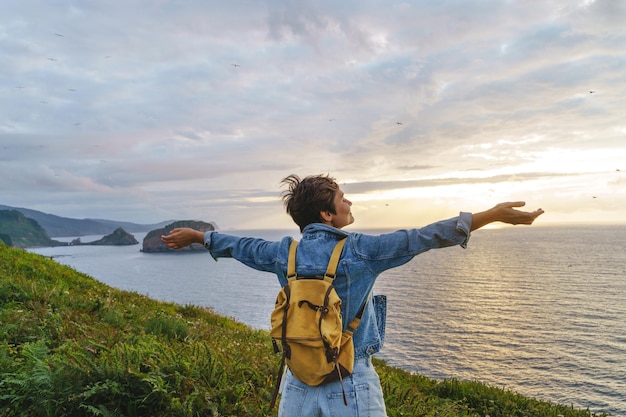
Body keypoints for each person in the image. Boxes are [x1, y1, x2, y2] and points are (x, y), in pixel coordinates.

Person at [161, 173, 544, 417]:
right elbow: (424, 236)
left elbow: (241, 246)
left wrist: (198, 236)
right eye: (343, 198)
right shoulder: (361, 250)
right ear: (327, 215)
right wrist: (490, 215)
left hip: (297, 379)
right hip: (349, 378)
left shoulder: (284, 253)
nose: (349, 203)